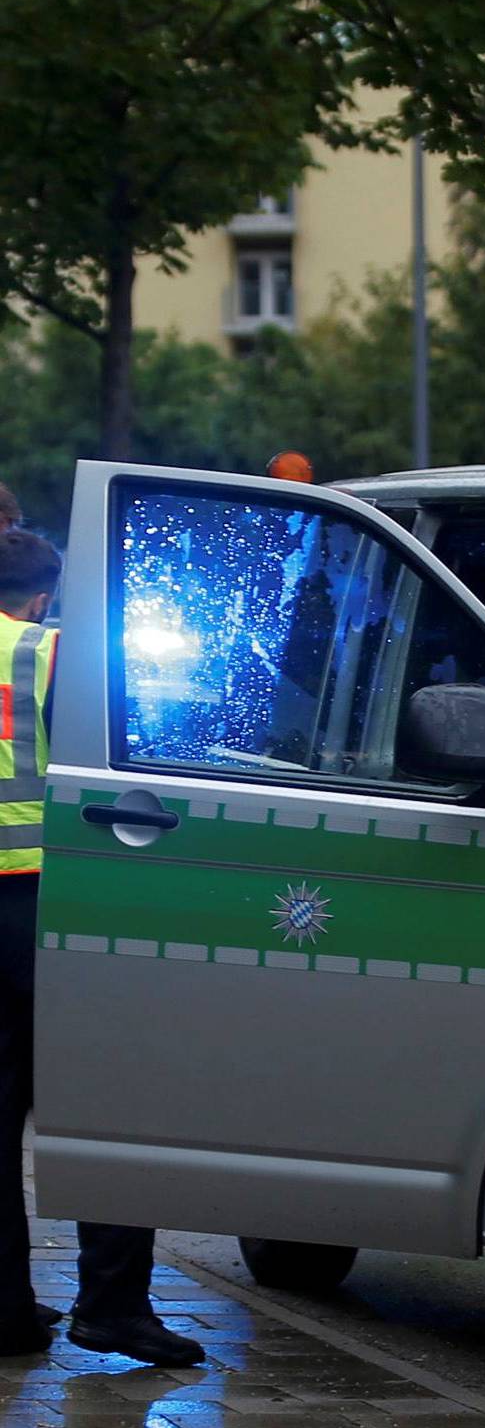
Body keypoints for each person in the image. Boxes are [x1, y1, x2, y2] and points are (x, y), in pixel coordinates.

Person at [0, 528, 206, 1365]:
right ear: (44, 596)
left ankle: (6, 1312)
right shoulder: (47, 656)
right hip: (45, 900)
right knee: (110, 1092)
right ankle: (112, 1305)